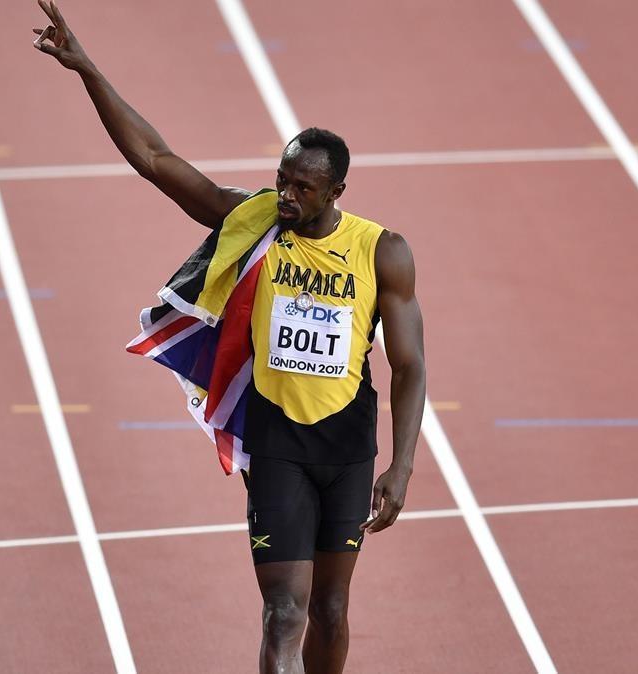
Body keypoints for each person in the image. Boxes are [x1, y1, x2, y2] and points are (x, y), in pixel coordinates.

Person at [32, 2, 426, 672]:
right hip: (276, 444)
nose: (286, 195)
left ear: (337, 191)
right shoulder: (257, 222)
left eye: (303, 187)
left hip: (348, 446)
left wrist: (403, 464)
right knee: (284, 613)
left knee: (331, 610)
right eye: (282, 179)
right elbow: (157, 160)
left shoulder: (381, 251)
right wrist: (88, 70)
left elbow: (410, 367)